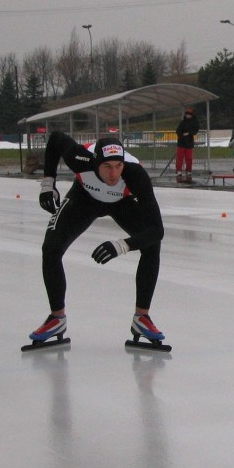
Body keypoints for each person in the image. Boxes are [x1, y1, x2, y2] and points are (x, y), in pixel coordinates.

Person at [30, 132, 166, 345]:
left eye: (118, 166)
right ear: (95, 164)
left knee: (151, 244)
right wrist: (48, 183)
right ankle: (57, 318)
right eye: (107, 167)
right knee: (51, 248)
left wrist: (122, 245)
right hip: (85, 198)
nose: (113, 174)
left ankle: (142, 317)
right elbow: (55, 139)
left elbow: (157, 230)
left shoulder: (135, 173)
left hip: (122, 203)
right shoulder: (80, 159)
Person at [175, 107, 200, 183]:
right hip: (181, 143)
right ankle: (179, 170)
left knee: (189, 158)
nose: (188, 116)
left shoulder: (195, 122)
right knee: (180, 158)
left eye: (189, 114)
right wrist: (182, 135)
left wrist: (189, 133)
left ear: (192, 115)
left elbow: (195, 130)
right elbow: (178, 131)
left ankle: (189, 170)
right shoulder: (182, 122)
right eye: (187, 114)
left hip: (189, 143)